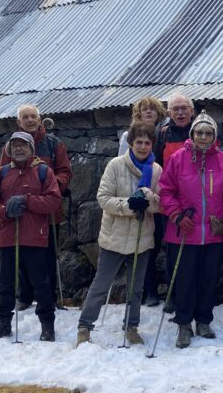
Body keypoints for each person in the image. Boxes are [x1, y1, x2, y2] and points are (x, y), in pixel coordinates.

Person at [158, 111, 223, 348]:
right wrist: (176, 215)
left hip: (214, 231)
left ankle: (203, 320)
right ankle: (184, 323)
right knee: (185, 280)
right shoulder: (178, 158)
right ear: (192, 134)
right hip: (184, 230)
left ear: (214, 136)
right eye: (199, 132)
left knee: (208, 278)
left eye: (208, 133)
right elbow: (166, 191)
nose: (203, 137)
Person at [76, 122, 162, 347]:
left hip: (141, 238)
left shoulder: (156, 170)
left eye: (147, 143)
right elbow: (103, 198)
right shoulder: (115, 165)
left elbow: (159, 206)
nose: (143, 147)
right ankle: (85, 326)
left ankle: (131, 327)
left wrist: (149, 201)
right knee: (101, 284)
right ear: (131, 144)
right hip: (114, 236)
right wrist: (129, 205)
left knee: (136, 288)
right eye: (138, 142)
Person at [0, 131, 63, 341]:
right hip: (8, 236)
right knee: (6, 283)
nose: (18, 148)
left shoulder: (44, 172)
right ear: (9, 150)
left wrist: (27, 201)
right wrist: (5, 211)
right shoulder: (0, 174)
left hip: (35, 236)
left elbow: (53, 201)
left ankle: (47, 325)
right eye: (15, 145)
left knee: (41, 282)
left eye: (23, 145)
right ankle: (3, 323)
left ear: (30, 149)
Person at [0, 104, 72, 310]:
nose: (30, 120)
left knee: (48, 256)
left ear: (39, 120)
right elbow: (2, 175)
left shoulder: (53, 144)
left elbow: (65, 172)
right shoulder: (11, 147)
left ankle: (49, 297)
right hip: (20, 212)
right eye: (25, 117)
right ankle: (25, 296)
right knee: (20, 255)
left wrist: (47, 187)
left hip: (47, 211)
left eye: (33, 116)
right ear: (18, 122)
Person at [117, 96, 166, 305]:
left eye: (152, 110)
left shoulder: (163, 134)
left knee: (153, 244)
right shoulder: (128, 136)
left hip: (157, 193)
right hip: (135, 196)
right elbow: (122, 165)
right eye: (144, 109)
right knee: (138, 246)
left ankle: (152, 289)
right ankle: (146, 291)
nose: (148, 112)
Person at [152, 93, 195, 312]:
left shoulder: (200, 131)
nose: (180, 113)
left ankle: (191, 294)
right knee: (171, 250)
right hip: (169, 201)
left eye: (184, 108)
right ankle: (172, 293)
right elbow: (155, 165)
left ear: (191, 111)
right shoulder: (163, 134)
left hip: (196, 200)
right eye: (175, 109)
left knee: (195, 248)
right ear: (169, 113)